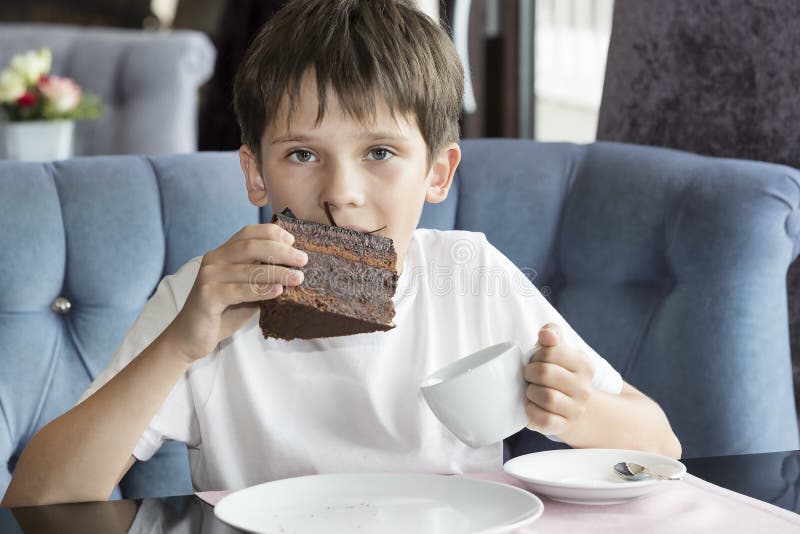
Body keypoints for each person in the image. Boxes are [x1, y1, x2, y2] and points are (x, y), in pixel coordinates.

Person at [1, 0, 680, 507]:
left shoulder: (471, 277)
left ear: (438, 174)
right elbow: (36, 499)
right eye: (302, 154)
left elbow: (660, 446)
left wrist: (579, 411)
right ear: (255, 173)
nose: (341, 195)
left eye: (380, 153)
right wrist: (180, 345)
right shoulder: (202, 299)